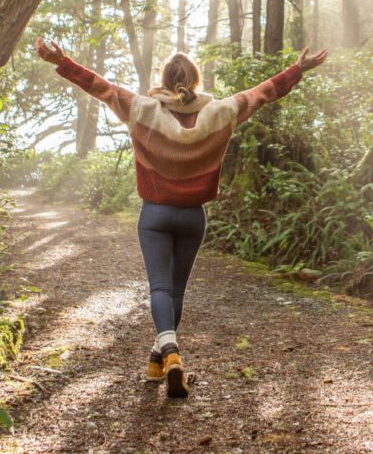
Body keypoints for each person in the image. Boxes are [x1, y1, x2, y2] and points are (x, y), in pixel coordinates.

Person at [35, 37, 328, 397]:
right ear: (195, 80)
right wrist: (297, 70)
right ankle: (158, 362)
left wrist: (62, 62)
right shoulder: (221, 111)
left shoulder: (141, 109)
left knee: (159, 288)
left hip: (155, 214)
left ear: (164, 78)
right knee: (175, 291)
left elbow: (100, 87)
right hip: (193, 218)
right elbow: (262, 93)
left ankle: (170, 353)